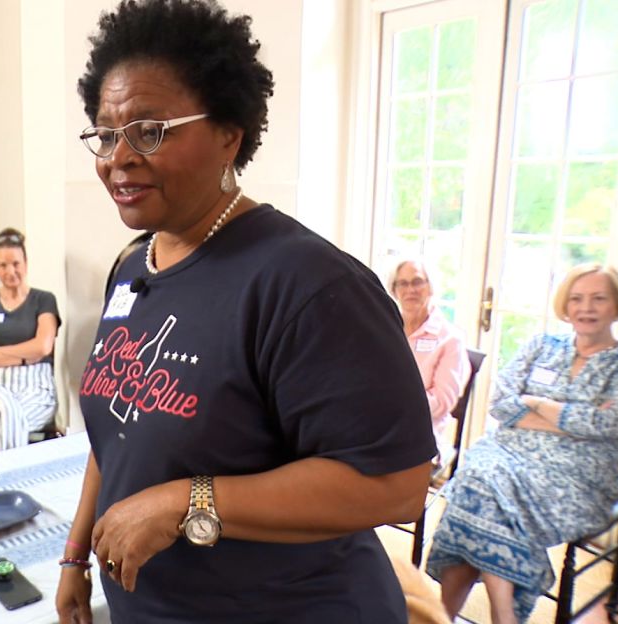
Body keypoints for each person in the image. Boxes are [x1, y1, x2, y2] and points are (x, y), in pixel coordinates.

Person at [57, 1, 436, 622]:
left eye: (150, 131)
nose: (118, 157)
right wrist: (76, 557)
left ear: (229, 133)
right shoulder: (133, 265)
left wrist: (188, 500)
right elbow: (119, 429)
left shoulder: (307, 283)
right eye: (105, 133)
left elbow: (398, 485)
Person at [426, 264, 618, 623]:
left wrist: (538, 403)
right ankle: (503, 617)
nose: (586, 307)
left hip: (577, 479)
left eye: (599, 299)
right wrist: (573, 420)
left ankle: (443, 616)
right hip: (506, 455)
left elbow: (609, 423)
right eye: (577, 299)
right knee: (485, 483)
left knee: (477, 495)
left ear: (616, 306)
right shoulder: (542, 345)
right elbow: (501, 402)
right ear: (565, 305)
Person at [0, 228, 61, 452]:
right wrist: (22, 357)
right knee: (6, 411)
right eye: (3, 265)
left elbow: (43, 346)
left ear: (26, 263)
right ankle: (16, 482)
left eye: (16, 263)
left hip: (36, 387)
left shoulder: (44, 299)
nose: (11, 271)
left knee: (5, 418)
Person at [386, 258, 470, 469]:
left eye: (417, 282)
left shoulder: (450, 339)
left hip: (421, 436)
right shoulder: (386, 328)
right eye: (402, 284)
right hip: (379, 424)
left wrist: (392, 402)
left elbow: (442, 403)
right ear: (394, 290)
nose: (410, 290)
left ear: (430, 287)